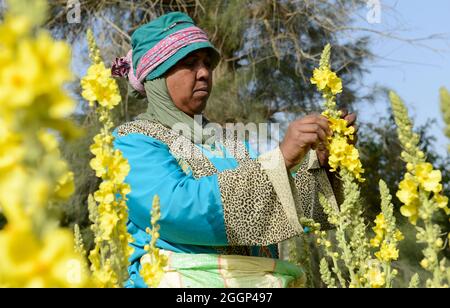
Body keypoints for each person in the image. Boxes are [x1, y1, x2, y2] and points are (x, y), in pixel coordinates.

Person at [111, 11, 357, 288]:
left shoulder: (231, 144)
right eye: (189, 64)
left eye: (207, 64)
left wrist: (322, 165)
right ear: (156, 78)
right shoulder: (134, 141)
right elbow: (173, 209)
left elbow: (280, 209)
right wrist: (281, 159)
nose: (204, 73)